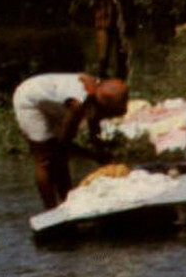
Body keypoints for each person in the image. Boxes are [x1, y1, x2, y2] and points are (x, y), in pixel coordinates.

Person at [13, 73, 129, 208]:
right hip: (29, 100)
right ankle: (51, 209)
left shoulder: (98, 90)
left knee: (61, 159)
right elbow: (63, 144)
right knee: (45, 158)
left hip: (53, 102)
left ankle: (67, 202)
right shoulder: (77, 105)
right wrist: (94, 156)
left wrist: (101, 151)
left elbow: (94, 128)